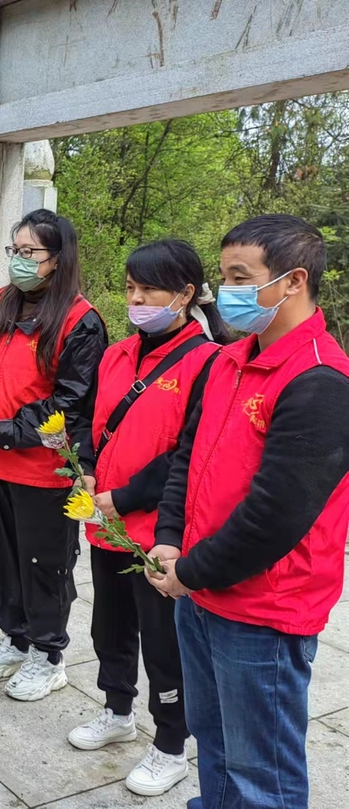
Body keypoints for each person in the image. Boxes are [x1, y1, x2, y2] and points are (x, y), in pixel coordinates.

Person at [148, 215, 349, 809]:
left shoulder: (319, 380)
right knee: (212, 741)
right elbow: (188, 457)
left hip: (264, 608)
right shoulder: (228, 361)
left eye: (242, 277)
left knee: (262, 769)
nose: (228, 289)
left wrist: (190, 571)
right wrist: (168, 535)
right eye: (225, 274)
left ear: (293, 282)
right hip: (202, 588)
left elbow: (277, 516)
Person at [67, 240, 233, 797]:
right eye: (131, 288)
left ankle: (170, 743)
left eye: (149, 290)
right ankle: (117, 711)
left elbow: (189, 452)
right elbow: (91, 420)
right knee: (108, 626)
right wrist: (87, 472)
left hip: (157, 530)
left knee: (163, 642)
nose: (136, 300)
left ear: (185, 295)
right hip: (106, 519)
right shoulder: (118, 353)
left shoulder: (207, 361)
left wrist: (125, 496)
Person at [0, 208, 107, 701]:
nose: (19, 261)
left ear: (57, 259)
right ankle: (16, 637)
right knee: (3, 557)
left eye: (30, 253)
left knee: (44, 563)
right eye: (14, 251)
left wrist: (11, 430)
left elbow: (71, 399)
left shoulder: (80, 320)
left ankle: (48, 654)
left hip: (42, 468)